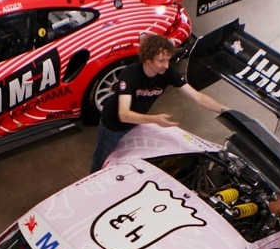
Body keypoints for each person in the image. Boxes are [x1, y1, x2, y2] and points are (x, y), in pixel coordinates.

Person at [90, 34, 228, 173]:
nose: (166, 65)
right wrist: (154, 119)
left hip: (136, 121)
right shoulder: (130, 74)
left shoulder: (168, 73)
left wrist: (224, 110)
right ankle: (93, 177)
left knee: (126, 155)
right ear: (148, 59)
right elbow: (124, 114)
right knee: (103, 158)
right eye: (161, 61)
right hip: (113, 126)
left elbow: (198, 97)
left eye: (168, 60)